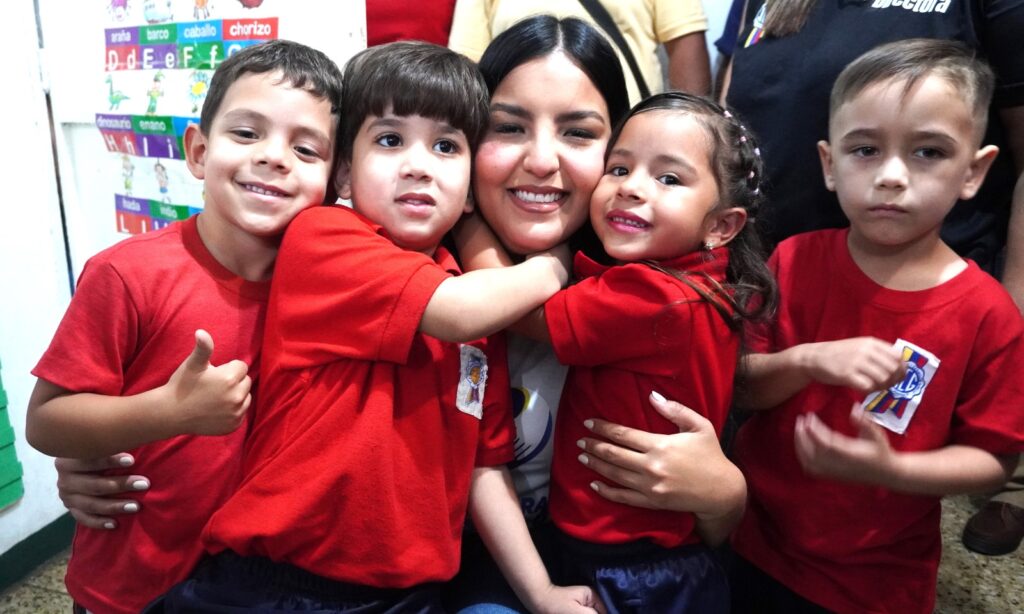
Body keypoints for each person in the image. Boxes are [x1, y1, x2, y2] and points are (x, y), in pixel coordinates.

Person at [153, 41, 575, 612]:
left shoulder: (482, 306)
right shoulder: (325, 238)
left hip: (410, 594)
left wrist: (541, 593)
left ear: (470, 189)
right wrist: (555, 264)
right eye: (390, 140)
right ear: (346, 174)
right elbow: (455, 311)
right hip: (283, 584)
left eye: (447, 146)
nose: (418, 165)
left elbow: (486, 468)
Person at [25, 39, 344, 614]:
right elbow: (47, 422)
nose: (274, 156)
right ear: (198, 151)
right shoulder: (127, 274)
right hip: (129, 587)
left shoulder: (333, 290)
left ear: (335, 180)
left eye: (305, 148)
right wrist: (169, 411)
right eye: (246, 133)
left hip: (250, 593)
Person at [444, 16, 749, 613]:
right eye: (508, 126)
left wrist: (725, 494)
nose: (541, 160)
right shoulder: (420, 279)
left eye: (579, 133)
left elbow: (711, 533)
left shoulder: (652, 289)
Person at [730, 39, 1024, 614]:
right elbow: (741, 387)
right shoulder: (792, 260)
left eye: (928, 152)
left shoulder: (988, 315)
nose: (891, 176)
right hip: (751, 542)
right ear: (829, 164)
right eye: (865, 149)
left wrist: (893, 469)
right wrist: (806, 360)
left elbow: (993, 459)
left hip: (876, 581)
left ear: (974, 171)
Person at [447, 0, 712, 104]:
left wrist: (687, 127)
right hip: (519, 139)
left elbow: (685, 43)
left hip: (624, 140)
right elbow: (468, 65)